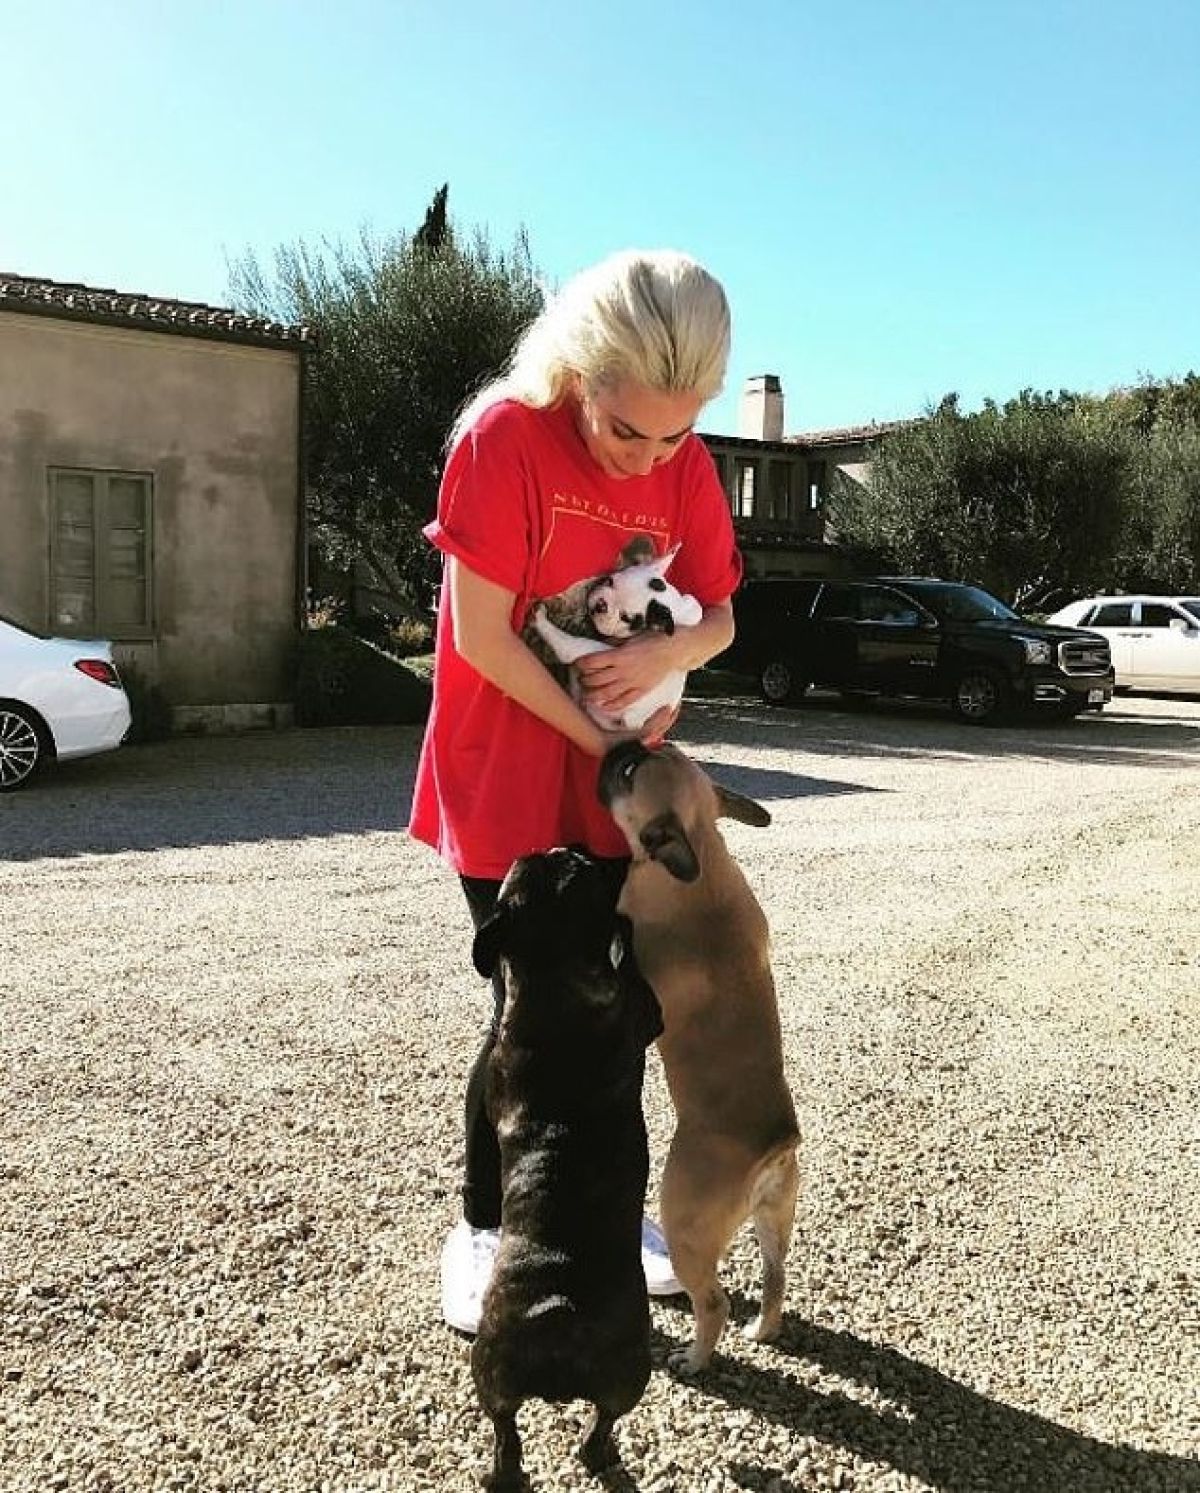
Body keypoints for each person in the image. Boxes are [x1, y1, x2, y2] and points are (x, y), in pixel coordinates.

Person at [408, 248, 743, 1334]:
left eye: (675, 436)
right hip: (505, 772)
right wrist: (603, 738)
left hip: (616, 788)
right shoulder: (503, 437)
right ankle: (485, 1226)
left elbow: (721, 616)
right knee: (534, 1010)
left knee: (619, 1010)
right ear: (578, 370)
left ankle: (597, 1219)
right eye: (627, 429)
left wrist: (669, 654)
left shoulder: (685, 463)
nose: (649, 458)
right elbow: (482, 638)